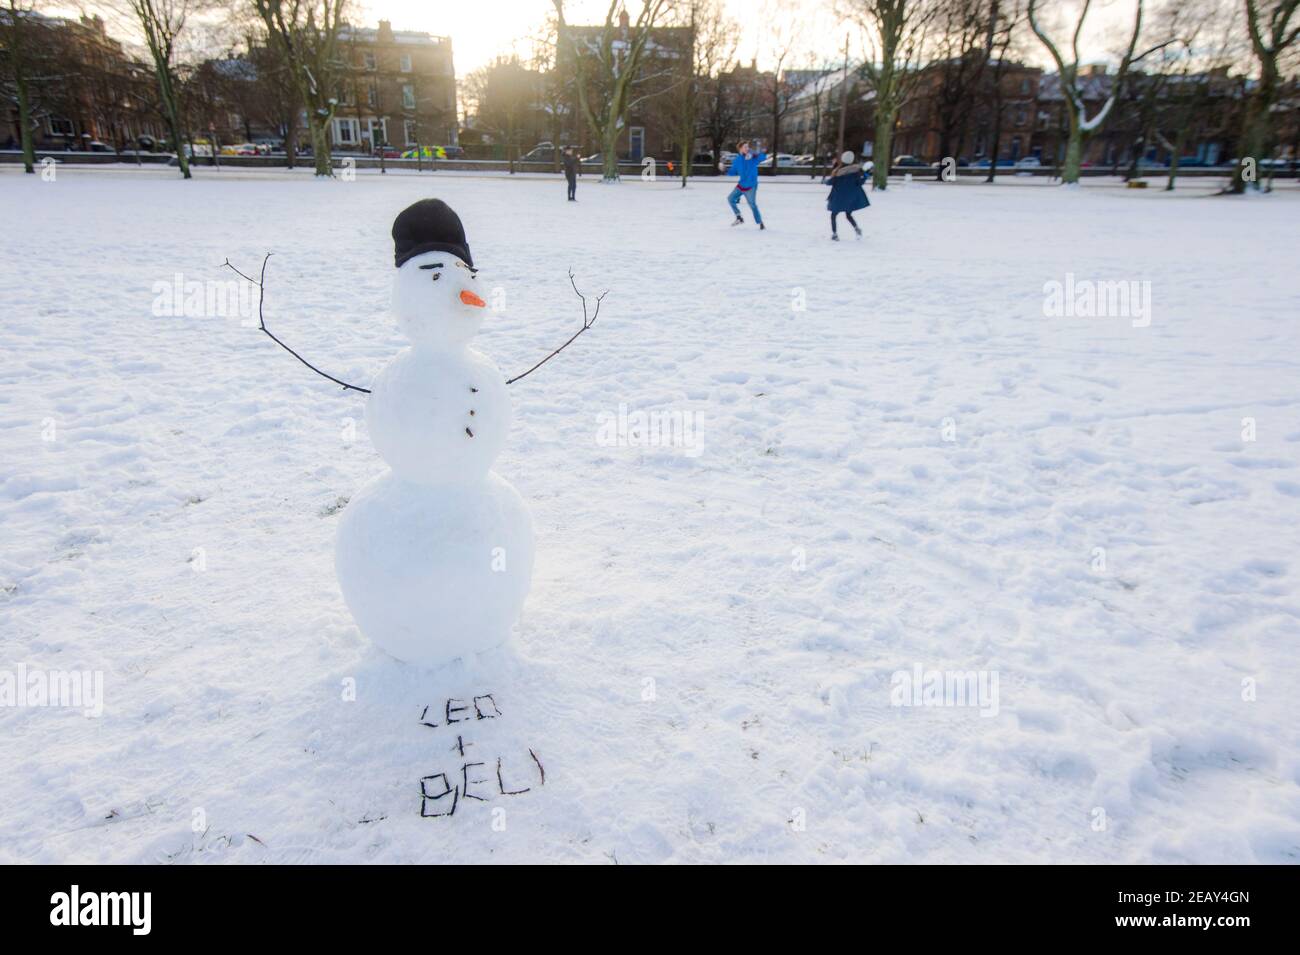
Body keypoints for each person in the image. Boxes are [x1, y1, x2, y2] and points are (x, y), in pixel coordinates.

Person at [823, 150, 869, 240]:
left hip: (838, 198)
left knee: (833, 215)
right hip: (851, 198)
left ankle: (835, 234)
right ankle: (857, 229)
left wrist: (826, 181)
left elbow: (830, 182)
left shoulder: (838, 172)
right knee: (848, 215)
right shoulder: (856, 171)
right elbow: (860, 182)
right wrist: (866, 176)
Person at [720, 140, 766, 230]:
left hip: (751, 185)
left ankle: (760, 222)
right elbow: (733, 172)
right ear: (740, 149)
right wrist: (725, 170)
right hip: (741, 185)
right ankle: (739, 217)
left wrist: (755, 153)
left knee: (752, 204)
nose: (747, 148)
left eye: (748, 146)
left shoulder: (752, 157)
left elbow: (763, 157)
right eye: (745, 147)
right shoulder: (737, 160)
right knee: (730, 199)